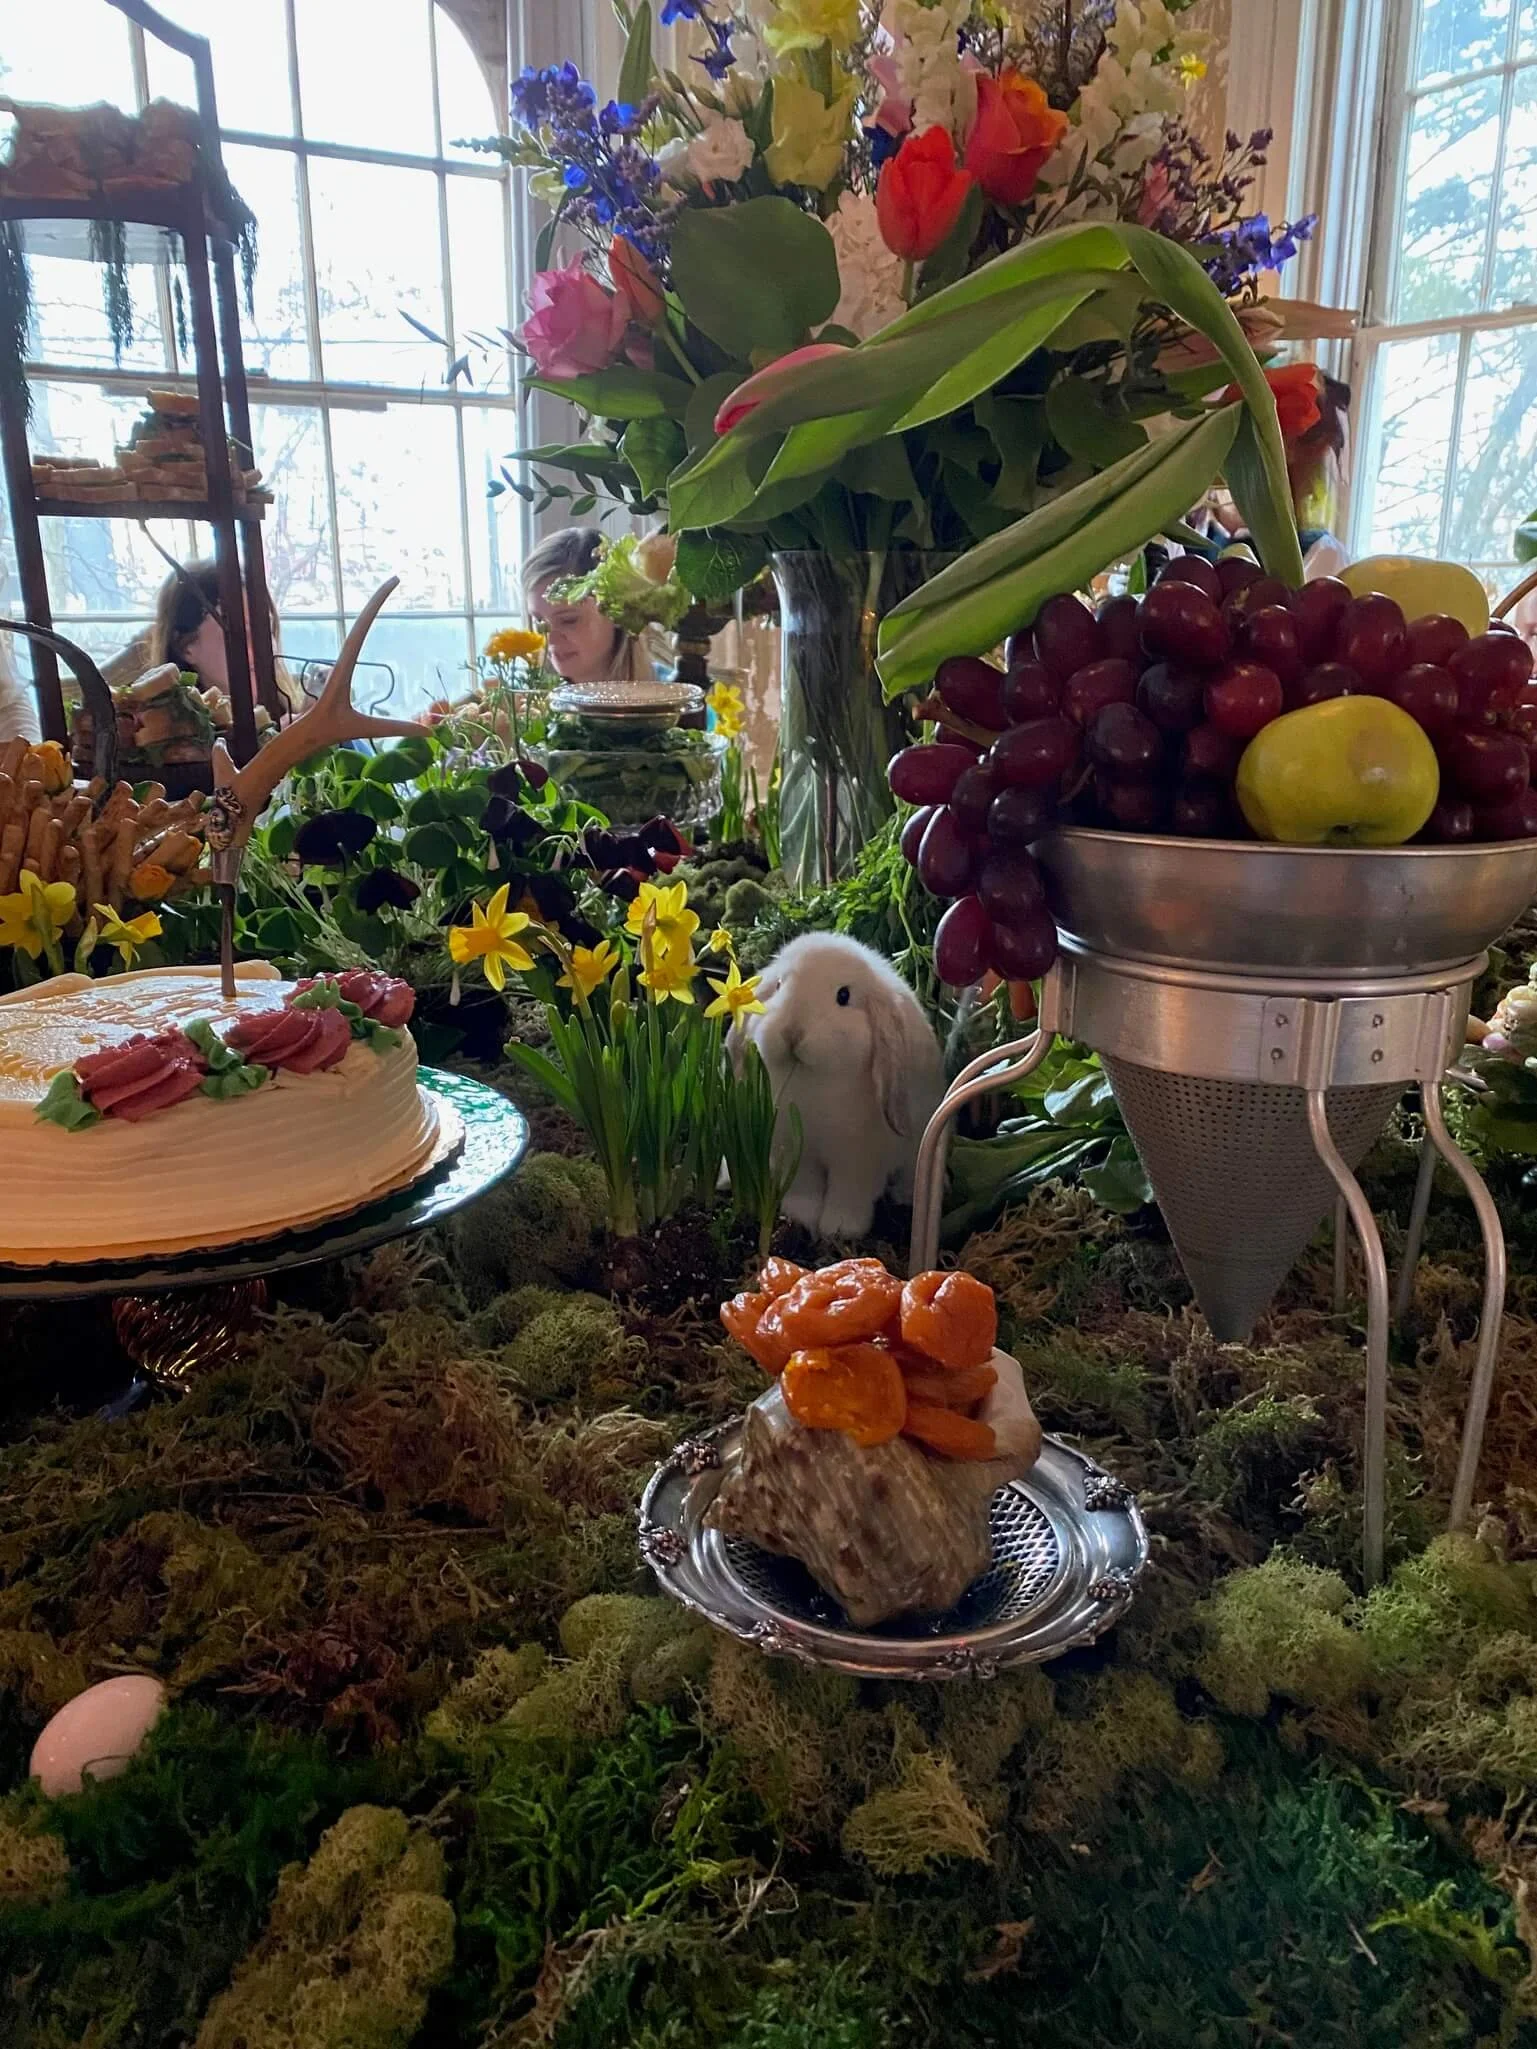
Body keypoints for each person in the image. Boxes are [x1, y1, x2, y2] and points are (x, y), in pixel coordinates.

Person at [522, 526, 652, 683]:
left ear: (618, 612)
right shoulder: (518, 702)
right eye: (539, 621)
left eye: (568, 620)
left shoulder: (674, 697)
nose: (551, 639)